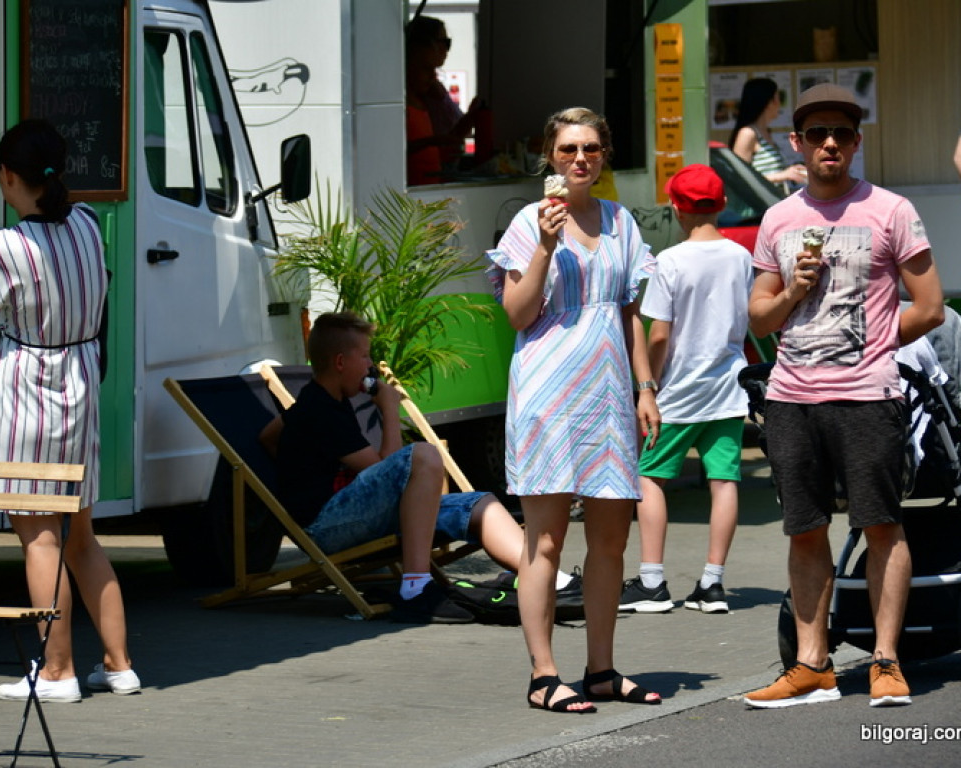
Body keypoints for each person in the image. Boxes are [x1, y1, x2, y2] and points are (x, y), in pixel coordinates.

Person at [744, 83, 944, 709]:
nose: (831, 143)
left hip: (868, 398)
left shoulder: (890, 210)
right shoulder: (778, 219)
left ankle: (886, 660)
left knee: (881, 526)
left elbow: (932, 307)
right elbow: (758, 320)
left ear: (857, 143)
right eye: (818, 134)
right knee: (805, 532)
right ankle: (812, 666)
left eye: (845, 134)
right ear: (798, 144)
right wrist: (794, 293)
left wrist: (873, 344)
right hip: (791, 399)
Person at [0, 119, 139, 702]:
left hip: (29, 388)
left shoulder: (4, 246)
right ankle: (119, 663)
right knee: (81, 534)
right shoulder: (86, 223)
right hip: (79, 382)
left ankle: (57, 670)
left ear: (6, 176)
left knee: (38, 536)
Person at [485, 107, 662, 714]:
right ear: (549, 157)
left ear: (603, 155)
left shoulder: (620, 221)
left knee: (612, 539)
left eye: (590, 149)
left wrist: (645, 387)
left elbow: (630, 311)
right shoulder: (527, 222)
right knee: (547, 541)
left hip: (608, 394)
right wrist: (543, 244)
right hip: (548, 397)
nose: (579, 159)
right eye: (567, 150)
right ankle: (543, 674)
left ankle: (602, 670)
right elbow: (517, 312)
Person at [258, 311, 580, 625]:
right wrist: (388, 409)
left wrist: (292, 466)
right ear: (341, 362)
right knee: (423, 455)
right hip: (326, 526)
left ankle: (550, 579)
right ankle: (415, 589)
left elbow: (268, 436)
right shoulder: (321, 410)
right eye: (365, 357)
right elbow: (388, 471)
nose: (370, 366)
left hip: (356, 514)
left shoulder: (314, 402)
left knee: (481, 504)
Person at [619, 164, 752, 616]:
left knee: (650, 477)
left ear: (676, 207)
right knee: (724, 481)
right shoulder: (741, 257)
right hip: (729, 389)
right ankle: (713, 585)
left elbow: (658, 335)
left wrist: (648, 388)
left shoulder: (671, 261)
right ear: (721, 204)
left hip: (678, 391)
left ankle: (653, 582)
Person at [404, 15, 480, 183]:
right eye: (426, 68)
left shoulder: (425, 96)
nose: (433, 76)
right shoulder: (403, 104)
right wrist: (434, 142)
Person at [729, 78, 807, 191]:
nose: (779, 104)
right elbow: (739, 178)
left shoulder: (766, 132)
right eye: (778, 98)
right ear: (769, 102)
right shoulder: (748, 133)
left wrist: (792, 172)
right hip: (757, 206)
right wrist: (782, 175)